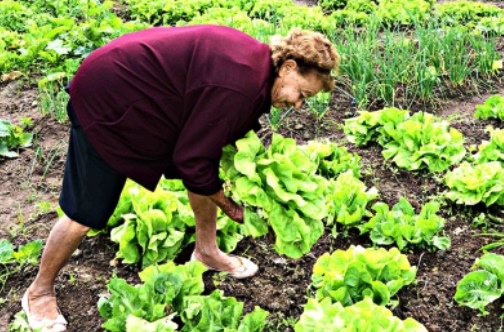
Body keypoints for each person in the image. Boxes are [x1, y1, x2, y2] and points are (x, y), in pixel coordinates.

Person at [22, 25, 340, 332]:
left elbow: (206, 149)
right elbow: (193, 161)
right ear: (287, 67)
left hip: (139, 93)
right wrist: (231, 206)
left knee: (204, 169)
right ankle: (39, 292)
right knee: (86, 212)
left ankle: (206, 251)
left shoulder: (256, 69)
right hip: (108, 97)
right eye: (302, 93)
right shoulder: (240, 86)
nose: (298, 104)